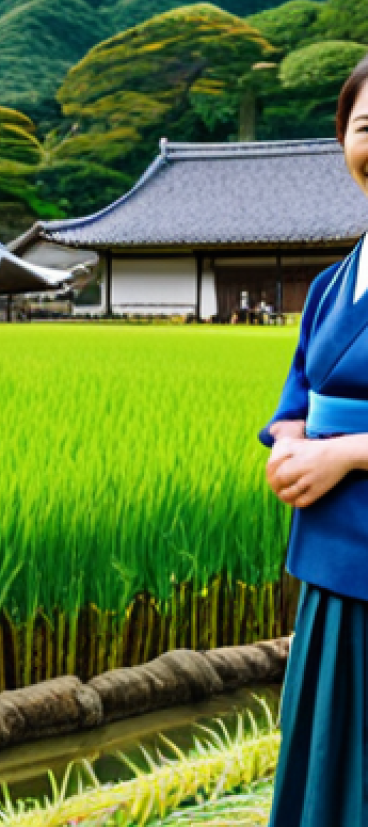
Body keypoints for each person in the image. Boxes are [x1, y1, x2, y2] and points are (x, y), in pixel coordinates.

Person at [263, 54, 368, 825]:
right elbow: (299, 384)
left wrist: (345, 453)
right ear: (343, 142)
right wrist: (289, 438)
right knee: (330, 759)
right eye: (367, 126)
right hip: (329, 564)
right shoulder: (336, 281)